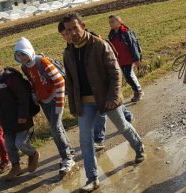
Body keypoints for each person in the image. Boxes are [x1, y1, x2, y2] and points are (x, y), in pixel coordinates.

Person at [61, 13, 146, 193]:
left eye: (75, 28)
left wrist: (114, 98)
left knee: (122, 126)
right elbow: (70, 81)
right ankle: (92, 178)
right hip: (85, 104)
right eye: (68, 30)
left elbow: (115, 72)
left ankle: (139, 147)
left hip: (106, 99)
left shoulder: (99, 45)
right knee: (85, 140)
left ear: (83, 25)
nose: (73, 33)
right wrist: (73, 104)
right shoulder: (68, 53)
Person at [57, 21, 133, 151]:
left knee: (116, 120)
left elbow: (113, 64)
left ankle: (103, 136)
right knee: (101, 115)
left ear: (82, 26)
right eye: (65, 34)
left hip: (104, 91)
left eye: (68, 32)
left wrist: (113, 94)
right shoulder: (70, 52)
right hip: (90, 97)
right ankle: (101, 136)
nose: (68, 36)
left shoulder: (96, 43)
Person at [13, 37, 75, 175]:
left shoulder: (43, 62)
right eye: (18, 55)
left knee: (55, 128)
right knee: (58, 128)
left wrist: (60, 104)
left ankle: (67, 158)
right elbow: (33, 82)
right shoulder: (25, 67)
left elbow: (60, 82)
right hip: (44, 102)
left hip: (54, 100)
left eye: (23, 53)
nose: (21, 57)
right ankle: (69, 151)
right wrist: (35, 95)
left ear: (29, 51)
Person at [0, 55, 41, 181]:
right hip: (7, 122)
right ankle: (16, 167)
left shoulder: (11, 78)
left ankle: (33, 154)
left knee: (20, 143)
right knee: (10, 147)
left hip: (21, 120)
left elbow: (23, 98)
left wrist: (23, 116)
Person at [107, 15, 144, 103]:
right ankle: (138, 90)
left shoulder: (126, 32)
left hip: (129, 58)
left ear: (119, 22)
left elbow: (133, 46)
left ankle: (138, 92)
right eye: (110, 22)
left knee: (128, 75)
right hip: (120, 60)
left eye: (113, 22)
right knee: (128, 76)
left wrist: (137, 59)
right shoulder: (111, 35)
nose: (110, 24)